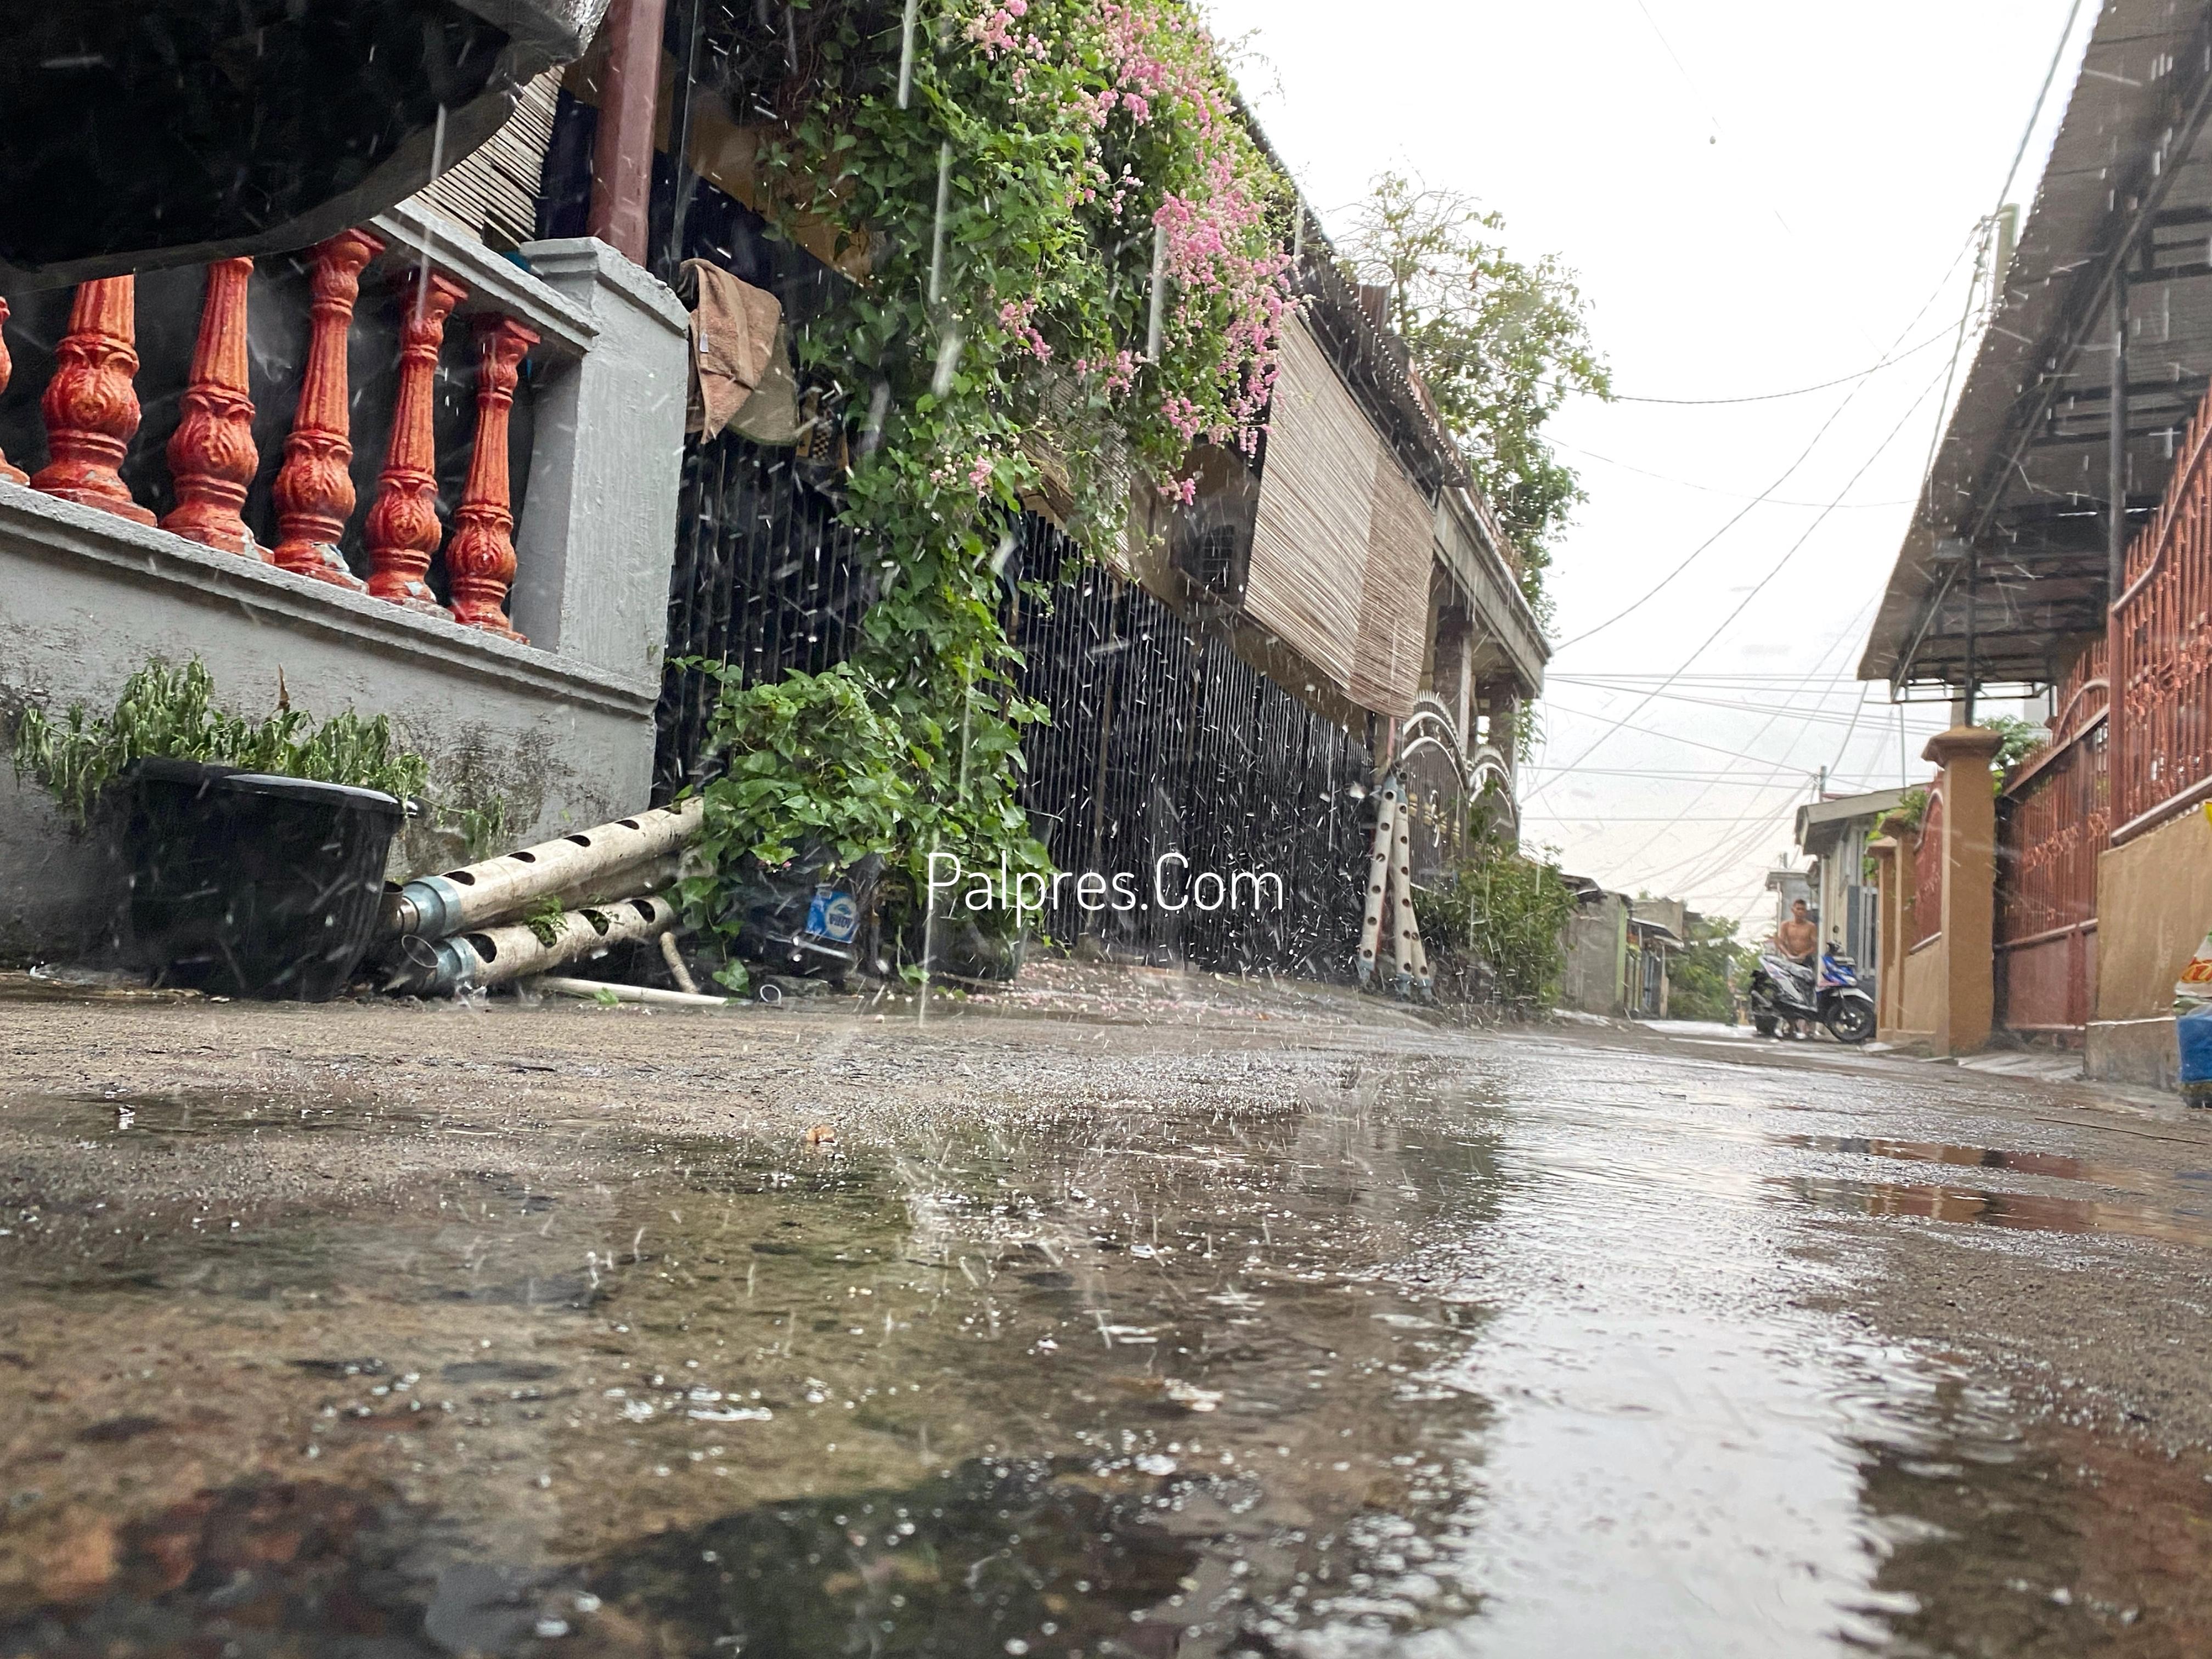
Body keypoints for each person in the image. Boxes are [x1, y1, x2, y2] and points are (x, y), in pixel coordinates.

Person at [1773, 899, 1819, 1037]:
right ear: (1793, 910)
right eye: (1798, 909)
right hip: (1790, 961)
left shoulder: (1810, 927)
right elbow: (1780, 942)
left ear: (1805, 912)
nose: (1800, 912)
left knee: (1808, 991)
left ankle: (1808, 1025)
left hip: (1805, 962)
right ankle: (1790, 1024)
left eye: (1803, 909)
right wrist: (1788, 955)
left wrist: (1804, 954)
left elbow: (1814, 945)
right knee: (1788, 991)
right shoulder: (1786, 925)